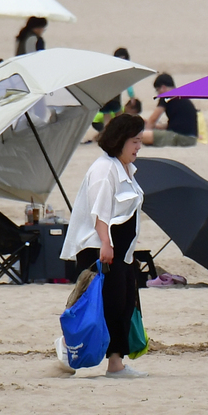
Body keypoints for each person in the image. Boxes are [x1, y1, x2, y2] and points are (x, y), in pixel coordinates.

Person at [60, 112, 147, 378]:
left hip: (121, 252)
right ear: (120, 141)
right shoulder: (103, 169)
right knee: (103, 305)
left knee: (122, 304)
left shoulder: (126, 169)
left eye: (140, 140)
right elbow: (99, 213)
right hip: (101, 249)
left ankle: (115, 362)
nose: (138, 146)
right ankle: (71, 349)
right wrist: (106, 244)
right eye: (134, 141)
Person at [143, 73, 199, 147]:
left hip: (180, 138)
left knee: (140, 136)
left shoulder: (166, 96)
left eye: (157, 90)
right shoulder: (181, 96)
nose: (158, 94)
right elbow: (179, 124)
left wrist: (146, 130)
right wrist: (157, 126)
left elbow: (153, 120)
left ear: (163, 88)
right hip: (191, 139)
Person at [91, 48, 133, 138]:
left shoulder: (109, 69)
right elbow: (129, 87)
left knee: (107, 119)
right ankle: (122, 135)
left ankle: (106, 136)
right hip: (114, 99)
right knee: (119, 116)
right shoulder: (123, 73)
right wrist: (132, 97)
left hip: (104, 98)